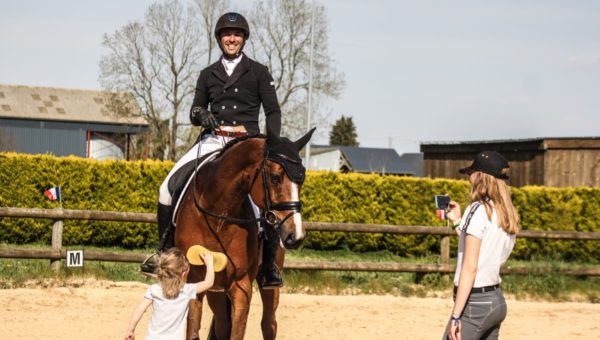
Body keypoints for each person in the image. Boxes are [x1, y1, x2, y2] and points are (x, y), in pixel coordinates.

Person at [142, 12, 284, 288]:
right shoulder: (208, 74)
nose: (232, 39)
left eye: (237, 35)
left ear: (244, 38)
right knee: (166, 187)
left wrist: (272, 144)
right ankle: (164, 252)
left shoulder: (259, 72)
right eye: (227, 35)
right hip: (214, 139)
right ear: (220, 38)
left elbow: (273, 112)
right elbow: (195, 109)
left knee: (265, 201)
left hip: (246, 143)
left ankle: (268, 266)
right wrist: (201, 115)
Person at [442, 151, 520, 340]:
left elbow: (470, 267)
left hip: (475, 304)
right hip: (495, 300)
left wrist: (456, 315)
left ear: (480, 176)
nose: (468, 177)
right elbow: (480, 248)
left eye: (472, 172)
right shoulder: (506, 214)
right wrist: (457, 222)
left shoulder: (477, 209)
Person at [125, 248, 215, 340]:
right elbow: (209, 282)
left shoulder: (154, 289)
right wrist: (210, 264)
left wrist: (130, 330)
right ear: (183, 274)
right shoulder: (187, 290)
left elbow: (140, 309)